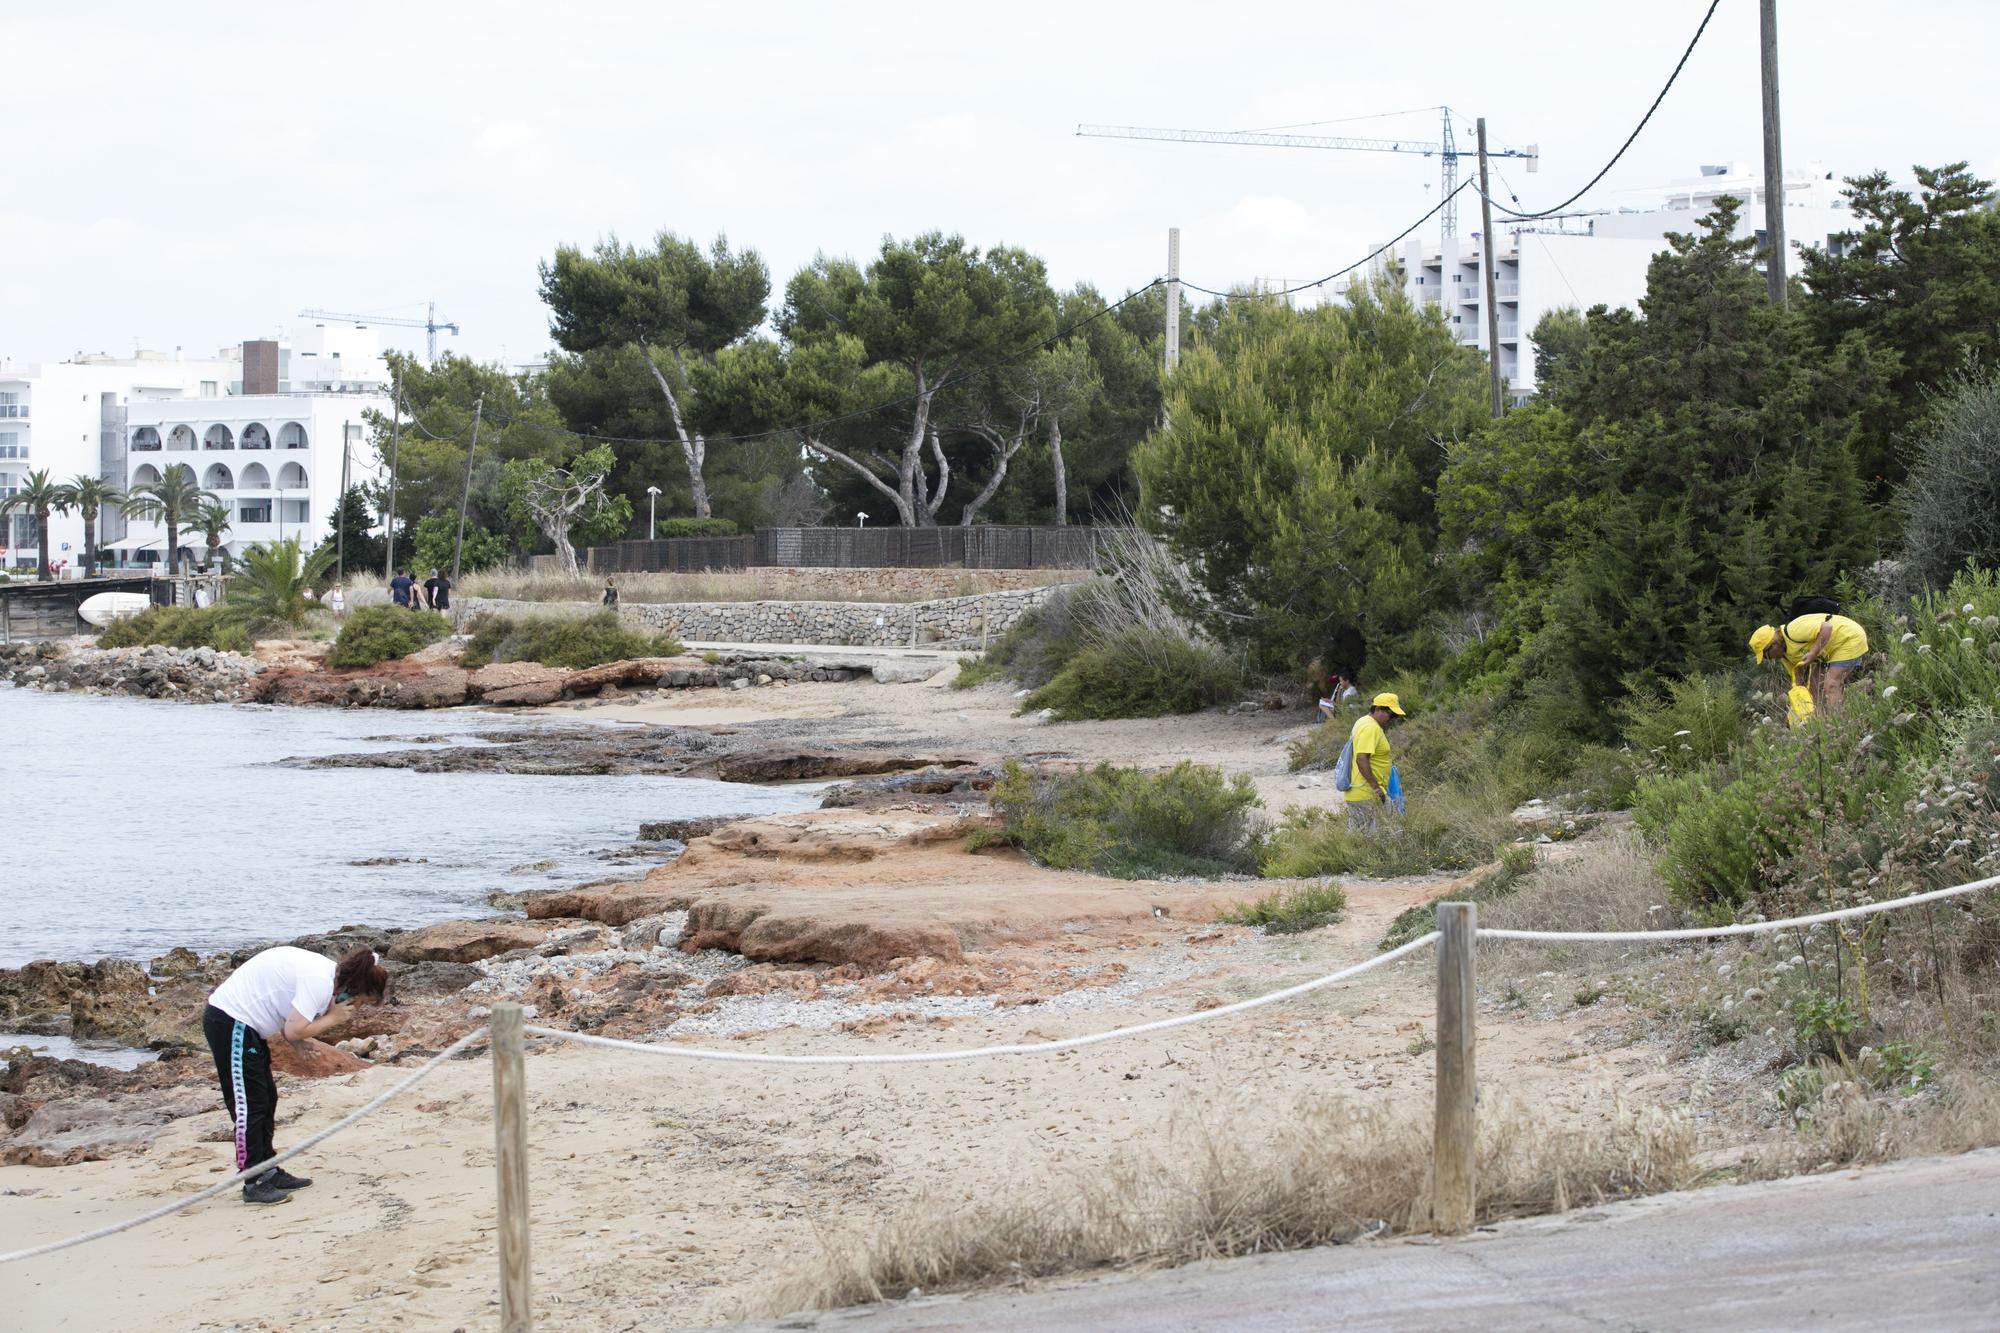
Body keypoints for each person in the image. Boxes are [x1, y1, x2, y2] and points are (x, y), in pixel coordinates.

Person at [203, 946, 389, 1205]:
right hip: (230, 1021)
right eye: (359, 1002)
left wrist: (299, 1042)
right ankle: (253, 1180)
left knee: (267, 1097)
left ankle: (268, 1170)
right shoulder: (318, 982)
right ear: (351, 990)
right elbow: (294, 1030)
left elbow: (283, 1009)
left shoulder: (323, 974)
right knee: (250, 1104)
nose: (356, 1008)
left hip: (246, 1026)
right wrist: (333, 1018)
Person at [1751, 612, 1870, 712]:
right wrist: (1798, 702)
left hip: (1848, 637)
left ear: (1773, 644)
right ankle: (1819, 720)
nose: (1768, 659)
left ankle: (1837, 723)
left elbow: (1827, 628)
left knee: (1831, 684)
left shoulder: (1793, 631)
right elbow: (1798, 677)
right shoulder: (1785, 656)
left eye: (1766, 655)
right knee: (1813, 688)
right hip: (1829, 651)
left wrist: (1813, 653)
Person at [1345, 692, 1406, 831]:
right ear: (1378, 709)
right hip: (1366, 793)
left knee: (1359, 840)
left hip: (1360, 792)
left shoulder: (1363, 721)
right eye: (1391, 714)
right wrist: (1376, 789)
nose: (1392, 719)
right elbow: (1361, 759)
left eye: (1395, 716)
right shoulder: (1370, 728)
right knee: (1374, 840)